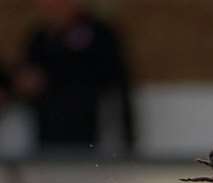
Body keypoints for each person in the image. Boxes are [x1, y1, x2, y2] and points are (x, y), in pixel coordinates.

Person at [12, 0, 135, 152]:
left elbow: (118, 87)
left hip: (92, 137)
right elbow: (24, 81)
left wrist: (128, 140)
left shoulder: (99, 33)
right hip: (47, 138)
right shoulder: (39, 38)